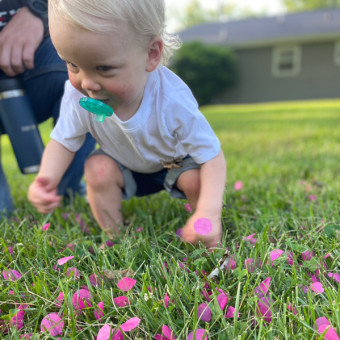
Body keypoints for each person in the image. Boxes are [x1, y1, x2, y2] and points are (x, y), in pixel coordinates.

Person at [28, 0, 226, 249]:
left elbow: (212, 157)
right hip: (125, 165)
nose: (87, 83)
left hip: (174, 163)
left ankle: (206, 233)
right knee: (96, 167)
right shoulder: (78, 95)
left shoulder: (171, 99)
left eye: (104, 68)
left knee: (196, 182)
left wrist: (208, 210)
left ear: (151, 54)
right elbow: (63, 141)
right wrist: (46, 179)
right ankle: (115, 237)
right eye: (73, 65)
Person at [0, 0, 96, 215]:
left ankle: (64, 189)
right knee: (1, 214)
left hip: (40, 52)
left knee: (87, 80)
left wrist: (38, 10)